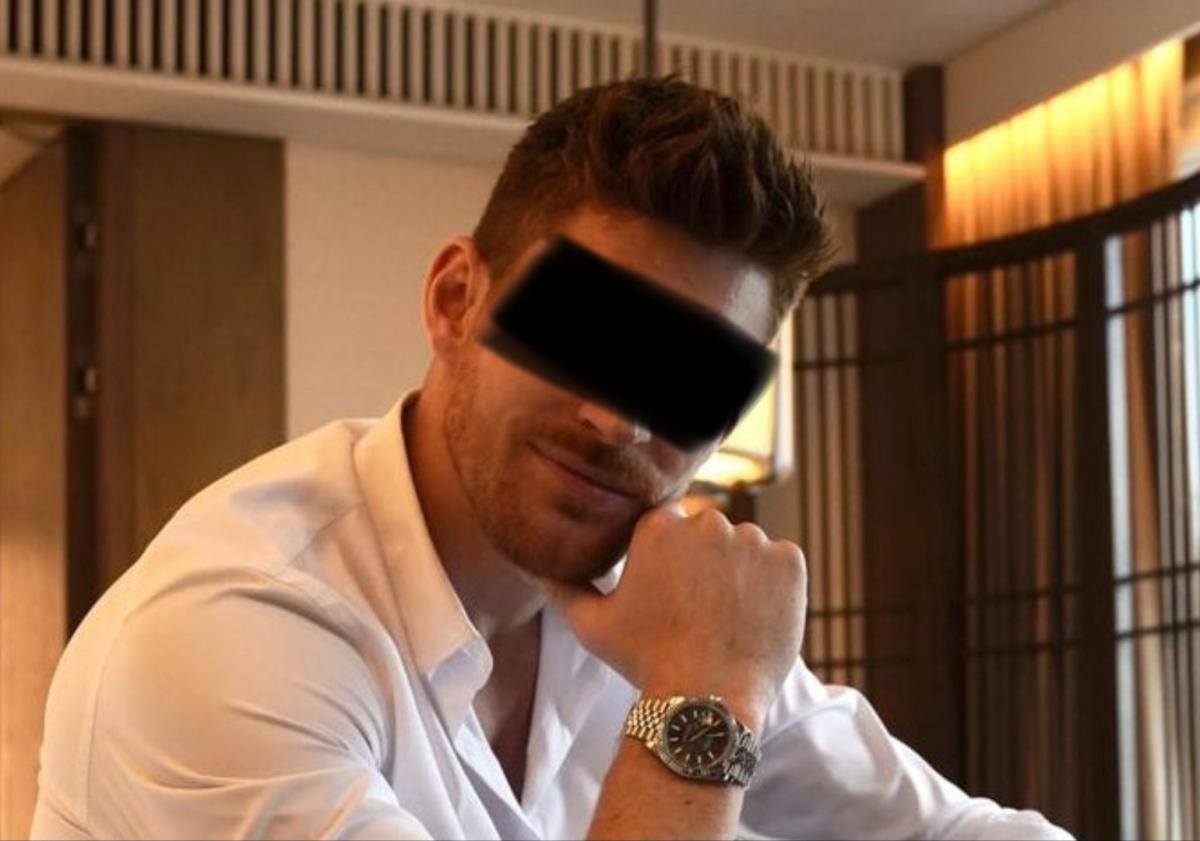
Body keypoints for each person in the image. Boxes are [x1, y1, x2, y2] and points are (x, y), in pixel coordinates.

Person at [30, 77, 1073, 840]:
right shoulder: (234, 626)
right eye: (588, 336)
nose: (619, 421)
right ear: (456, 300)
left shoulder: (646, 601)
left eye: (687, 380)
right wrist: (701, 699)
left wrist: (710, 675)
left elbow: (947, 829)